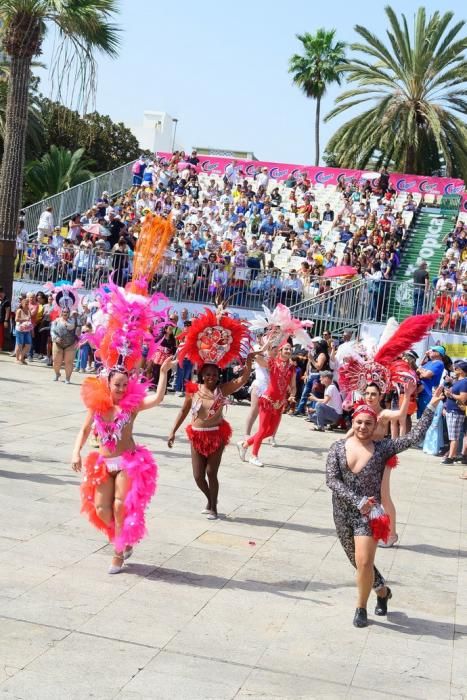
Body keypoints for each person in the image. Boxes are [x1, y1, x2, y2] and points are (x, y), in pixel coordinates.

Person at [326, 387, 443, 628]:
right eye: (359, 422)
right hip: (342, 513)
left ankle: (360, 608)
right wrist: (356, 500)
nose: (362, 427)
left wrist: (430, 406)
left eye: (368, 423)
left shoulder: (383, 450)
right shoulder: (337, 448)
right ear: (352, 421)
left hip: (368, 516)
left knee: (365, 561)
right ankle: (382, 591)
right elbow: (332, 481)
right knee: (357, 561)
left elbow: (413, 437)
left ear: (375, 426)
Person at [72, 356, 175, 573]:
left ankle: (117, 555)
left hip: (127, 462)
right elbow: (84, 430)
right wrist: (76, 453)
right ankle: (124, 540)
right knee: (101, 509)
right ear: (108, 383)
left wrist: (163, 373)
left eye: (124, 385)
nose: (121, 388)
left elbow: (157, 399)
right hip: (103, 463)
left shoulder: (132, 406)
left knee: (120, 506)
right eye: (117, 384)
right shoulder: (98, 406)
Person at [168, 355, 255, 520]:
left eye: (214, 375)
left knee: (211, 472)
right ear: (202, 375)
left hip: (216, 435)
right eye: (208, 374)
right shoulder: (193, 389)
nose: (211, 377)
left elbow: (242, 380)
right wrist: (173, 431)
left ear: (218, 376)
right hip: (196, 435)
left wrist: (249, 363)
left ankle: (213, 507)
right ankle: (210, 499)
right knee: (198, 475)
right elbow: (183, 411)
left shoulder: (222, 390)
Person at [238, 343, 296, 467]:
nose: (288, 351)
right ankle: (254, 456)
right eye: (286, 348)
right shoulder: (273, 363)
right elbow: (256, 357)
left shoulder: (292, 368)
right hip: (267, 400)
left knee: (270, 432)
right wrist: (266, 345)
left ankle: (245, 444)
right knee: (263, 429)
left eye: (290, 349)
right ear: (280, 350)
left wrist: (292, 395)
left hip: (279, 403)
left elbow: (293, 386)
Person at [440, 361, 467, 464]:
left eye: (456, 368)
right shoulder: (458, 381)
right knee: (453, 435)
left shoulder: (464, 382)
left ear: (461, 371)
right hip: (452, 410)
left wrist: (450, 394)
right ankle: (454, 455)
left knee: (453, 436)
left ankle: (451, 457)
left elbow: (463, 398)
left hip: (456, 411)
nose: (454, 369)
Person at [50, 308, 81, 383]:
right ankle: (57, 374)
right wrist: (55, 338)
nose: (65, 313)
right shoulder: (56, 321)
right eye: (64, 312)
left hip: (70, 344)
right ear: (61, 312)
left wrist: (78, 333)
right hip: (58, 343)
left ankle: (67, 378)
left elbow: (79, 330)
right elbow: (52, 331)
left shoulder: (74, 321)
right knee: (56, 361)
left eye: (67, 312)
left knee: (69, 362)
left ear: (69, 313)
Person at [417, 346, 446, 416]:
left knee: (426, 419)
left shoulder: (439, 363)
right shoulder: (430, 362)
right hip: (422, 393)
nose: (430, 351)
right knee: (422, 419)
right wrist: (425, 356)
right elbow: (418, 369)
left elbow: (426, 375)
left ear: (438, 353)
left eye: (433, 350)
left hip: (428, 394)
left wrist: (421, 372)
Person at [14, 296, 32, 364]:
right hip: (19, 330)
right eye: (26, 304)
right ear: (22, 304)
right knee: (19, 345)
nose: (27, 305)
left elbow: (29, 320)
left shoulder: (28, 311)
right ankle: (17, 359)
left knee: (28, 345)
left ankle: (21, 357)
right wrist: (25, 319)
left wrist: (31, 330)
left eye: (28, 303)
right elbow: (16, 319)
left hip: (27, 330)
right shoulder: (19, 310)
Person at [0, 286, 11, 350]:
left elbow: (7, 311)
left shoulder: (6, 301)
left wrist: (6, 320)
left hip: (2, 320)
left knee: (1, 334)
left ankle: (0, 347)